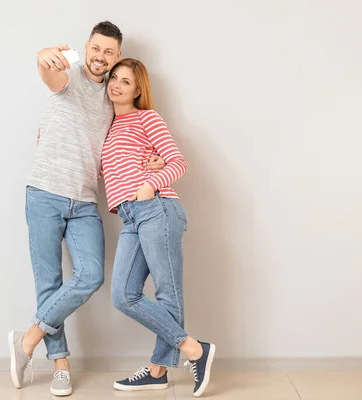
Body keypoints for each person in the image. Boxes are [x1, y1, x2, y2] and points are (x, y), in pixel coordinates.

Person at [8, 22, 165, 397]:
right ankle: (60, 364)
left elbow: (123, 140)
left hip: (83, 201)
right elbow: (50, 74)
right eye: (96, 49)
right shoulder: (70, 76)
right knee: (48, 283)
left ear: (115, 57)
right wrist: (42, 57)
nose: (100, 57)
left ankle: (27, 338)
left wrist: (151, 159)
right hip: (44, 192)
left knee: (91, 275)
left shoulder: (113, 97)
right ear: (87, 47)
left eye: (109, 52)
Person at [101, 58, 216, 397]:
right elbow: (104, 170)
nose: (117, 85)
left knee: (168, 293)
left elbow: (178, 161)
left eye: (126, 81)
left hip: (157, 208)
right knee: (124, 295)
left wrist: (152, 183)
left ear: (138, 90)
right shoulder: (108, 129)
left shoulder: (146, 117)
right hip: (130, 217)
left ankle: (159, 370)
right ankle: (193, 350)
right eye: (114, 78)